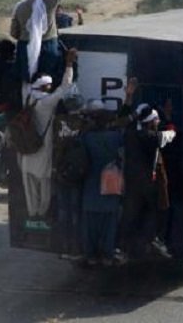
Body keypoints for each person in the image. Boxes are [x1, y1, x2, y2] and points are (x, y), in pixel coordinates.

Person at [20, 48, 77, 230]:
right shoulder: (46, 103)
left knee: (29, 186)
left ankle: (32, 215)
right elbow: (65, 87)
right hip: (42, 149)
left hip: (26, 150)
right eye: (49, 85)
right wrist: (68, 64)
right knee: (44, 184)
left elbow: (25, 81)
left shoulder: (27, 96)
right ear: (45, 87)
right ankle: (41, 215)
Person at [118, 88, 177, 259]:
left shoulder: (130, 135)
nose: (158, 122)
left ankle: (121, 246)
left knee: (129, 214)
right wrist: (168, 118)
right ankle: (154, 240)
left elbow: (125, 122)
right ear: (151, 123)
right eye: (156, 120)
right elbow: (171, 133)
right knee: (157, 210)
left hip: (131, 182)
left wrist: (135, 112)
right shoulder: (153, 138)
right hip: (148, 184)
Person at [11, 0, 70, 89]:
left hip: (25, 48)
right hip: (48, 46)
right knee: (47, 82)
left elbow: (14, 33)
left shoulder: (20, 6)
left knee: (27, 83)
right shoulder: (47, 2)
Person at [80, 101, 123, 267]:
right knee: (109, 223)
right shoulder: (116, 136)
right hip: (111, 182)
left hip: (91, 183)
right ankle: (107, 255)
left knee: (90, 224)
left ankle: (91, 255)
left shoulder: (87, 137)